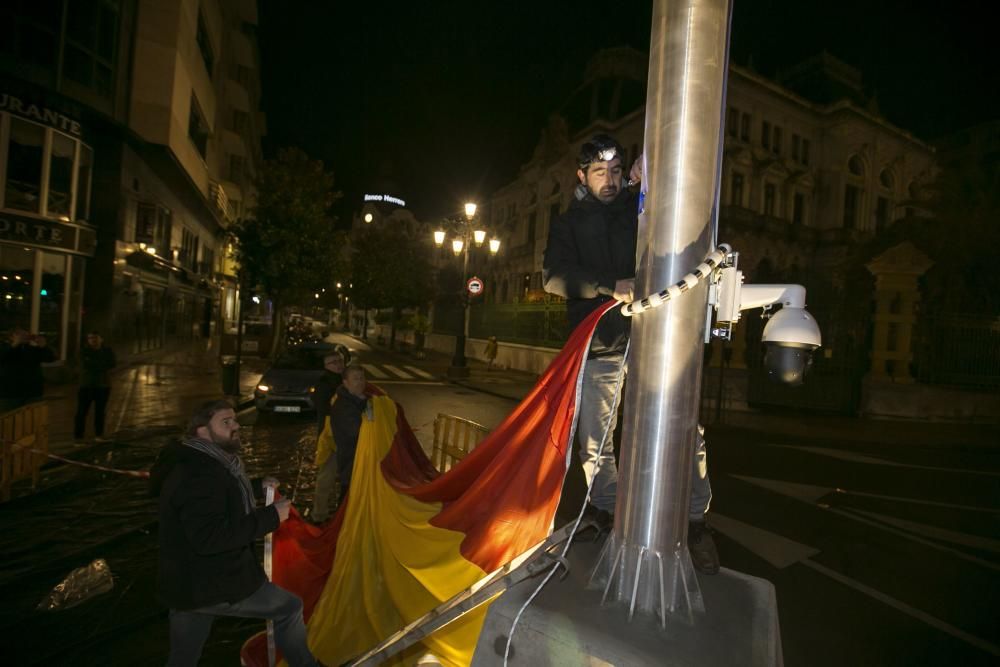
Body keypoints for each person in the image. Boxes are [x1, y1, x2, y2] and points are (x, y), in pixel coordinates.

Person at [542, 133, 719, 575]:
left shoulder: (636, 207)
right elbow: (553, 277)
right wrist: (609, 286)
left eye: (617, 171)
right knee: (595, 442)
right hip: (600, 342)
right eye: (600, 172)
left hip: (653, 337)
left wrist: (649, 173)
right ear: (581, 175)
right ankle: (606, 515)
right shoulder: (567, 224)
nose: (610, 179)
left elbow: (674, 191)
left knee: (684, 427)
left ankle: (697, 523)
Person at [149, 399, 319, 666]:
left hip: (187, 586)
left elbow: (218, 498)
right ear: (202, 431)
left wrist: (255, 485)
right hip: (215, 582)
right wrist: (272, 516)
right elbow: (211, 537)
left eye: (235, 420)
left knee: (183, 658)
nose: (236, 426)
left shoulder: (204, 462)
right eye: (226, 422)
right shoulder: (199, 473)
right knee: (289, 607)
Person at [311, 349, 346, 522]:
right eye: (334, 362)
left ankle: (341, 511)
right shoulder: (324, 384)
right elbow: (324, 409)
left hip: (346, 437)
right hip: (329, 436)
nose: (339, 364)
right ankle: (319, 514)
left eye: (340, 361)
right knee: (327, 476)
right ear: (326, 366)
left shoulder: (345, 380)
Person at [330, 365, 369, 502]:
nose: (360, 382)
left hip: (358, 462)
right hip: (351, 463)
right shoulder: (344, 406)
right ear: (346, 383)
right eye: (355, 379)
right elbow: (357, 433)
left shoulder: (359, 400)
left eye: (362, 378)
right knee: (348, 501)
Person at [74, 331, 117, 443]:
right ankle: (78, 437)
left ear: (101, 339)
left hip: (103, 385)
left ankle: (99, 434)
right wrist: (101, 364)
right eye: (90, 338)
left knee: (100, 411)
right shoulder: (84, 351)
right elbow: (86, 365)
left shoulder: (107, 350)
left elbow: (112, 363)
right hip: (86, 385)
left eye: (95, 338)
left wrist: (96, 363)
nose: (93, 340)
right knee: (82, 412)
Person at [0, 329, 56, 412]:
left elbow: (50, 358)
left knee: (32, 421)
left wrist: (44, 346)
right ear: (11, 337)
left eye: (26, 335)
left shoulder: (32, 350)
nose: (24, 337)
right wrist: (15, 344)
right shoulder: (5, 347)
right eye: (20, 335)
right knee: (8, 420)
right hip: (10, 393)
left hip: (32, 392)